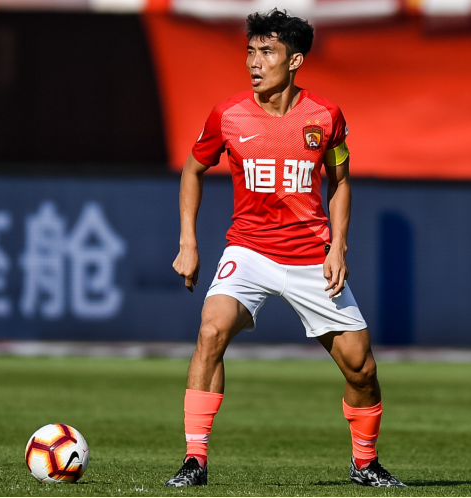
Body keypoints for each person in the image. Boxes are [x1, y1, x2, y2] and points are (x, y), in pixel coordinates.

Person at [165, 8, 406, 489]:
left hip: (311, 256)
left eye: (267, 52)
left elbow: (340, 181)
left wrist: (338, 246)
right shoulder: (227, 115)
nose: (254, 62)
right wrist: (188, 241)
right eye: (250, 51)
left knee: (361, 368)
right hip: (249, 251)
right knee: (211, 332)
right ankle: (194, 460)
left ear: (295, 60)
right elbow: (193, 170)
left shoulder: (326, 116)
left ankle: (365, 464)